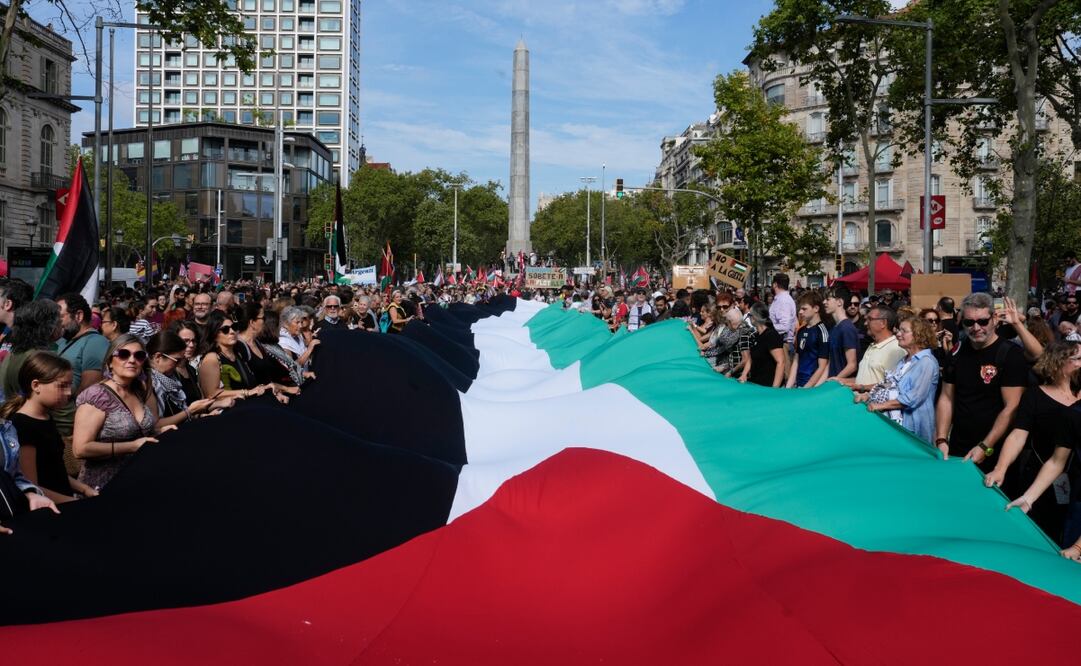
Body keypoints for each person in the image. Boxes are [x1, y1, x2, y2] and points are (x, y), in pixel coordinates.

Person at [984, 341, 1081, 543]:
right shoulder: (1036, 396)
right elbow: (1018, 435)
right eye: (1078, 359)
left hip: (1076, 481)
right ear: (1059, 362)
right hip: (1042, 476)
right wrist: (1000, 468)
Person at [934, 292, 1029, 465]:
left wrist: (985, 446)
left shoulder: (1010, 354)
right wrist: (941, 439)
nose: (976, 328)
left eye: (983, 321)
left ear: (994, 319)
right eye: (969, 322)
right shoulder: (956, 352)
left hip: (997, 450)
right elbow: (946, 398)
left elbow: (1011, 407)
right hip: (958, 445)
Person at [72, 334, 169, 490]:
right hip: (103, 485)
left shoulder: (138, 391)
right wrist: (131, 446)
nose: (132, 360)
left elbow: (139, 435)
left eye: (139, 355)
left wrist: (159, 432)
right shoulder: (97, 395)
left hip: (138, 480)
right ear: (110, 362)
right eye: (124, 354)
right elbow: (80, 449)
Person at [3, 351, 97, 502]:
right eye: (62, 386)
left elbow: (55, 471)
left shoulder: (47, 417)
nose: (68, 392)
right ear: (36, 385)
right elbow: (32, 487)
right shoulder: (22, 426)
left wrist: (84, 488)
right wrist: (72, 502)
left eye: (69, 385)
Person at [854, 315, 940, 443]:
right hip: (899, 427)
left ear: (918, 335)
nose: (898, 334)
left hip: (914, 429)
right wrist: (868, 396)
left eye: (903, 331)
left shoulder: (926, 362)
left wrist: (881, 405)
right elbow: (889, 385)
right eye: (899, 330)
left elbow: (914, 397)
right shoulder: (904, 360)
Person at [53, 293, 111, 442]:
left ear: (78, 316)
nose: (57, 322)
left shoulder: (95, 343)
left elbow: (88, 390)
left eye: (60, 317)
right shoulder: (63, 341)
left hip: (73, 424)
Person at [146, 331, 224, 427]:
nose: (178, 365)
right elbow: (156, 425)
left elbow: (179, 413)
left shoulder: (171, 377)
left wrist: (201, 415)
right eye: (177, 360)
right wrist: (190, 411)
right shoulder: (147, 382)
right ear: (158, 357)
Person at [0, 300, 62, 402]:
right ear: (49, 327)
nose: (62, 326)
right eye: (59, 322)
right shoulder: (40, 360)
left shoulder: (16, 351)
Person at [197, 311, 263, 399]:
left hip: (250, 402)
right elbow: (212, 394)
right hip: (230, 406)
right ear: (214, 334)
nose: (232, 332)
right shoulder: (211, 359)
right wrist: (247, 392)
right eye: (225, 329)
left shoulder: (239, 353)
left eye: (234, 327)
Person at [844, 305, 906, 388]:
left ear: (883, 323)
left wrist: (863, 388)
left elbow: (893, 384)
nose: (865, 323)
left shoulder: (896, 349)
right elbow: (864, 380)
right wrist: (841, 380)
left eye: (870, 319)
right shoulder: (873, 345)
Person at [816, 286, 859, 386]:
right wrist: (819, 386)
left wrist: (834, 381)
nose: (824, 302)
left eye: (828, 299)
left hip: (842, 387)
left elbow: (852, 365)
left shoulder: (847, 328)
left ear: (839, 302)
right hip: (833, 384)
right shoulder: (835, 328)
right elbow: (830, 363)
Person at [787, 291, 829, 388]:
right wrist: (788, 386)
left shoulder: (822, 331)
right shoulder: (801, 331)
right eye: (800, 309)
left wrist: (807, 387)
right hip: (799, 384)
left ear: (816, 308)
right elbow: (796, 360)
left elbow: (822, 366)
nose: (800, 312)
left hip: (812, 386)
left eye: (804, 309)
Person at [740, 302, 785, 388]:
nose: (748, 317)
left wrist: (774, 388)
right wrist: (744, 374)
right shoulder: (756, 336)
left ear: (755, 318)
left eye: (749, 315)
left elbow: (781, 362)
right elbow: (750, 358)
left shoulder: (771, 335)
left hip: (768, 386)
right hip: (756, 384)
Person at [768, 273, 797, 350]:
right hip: (780, 342)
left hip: (783, 344)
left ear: (775, 284)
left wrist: (766, 328)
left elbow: (785, 326)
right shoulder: (781, 299)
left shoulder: (783, 300)